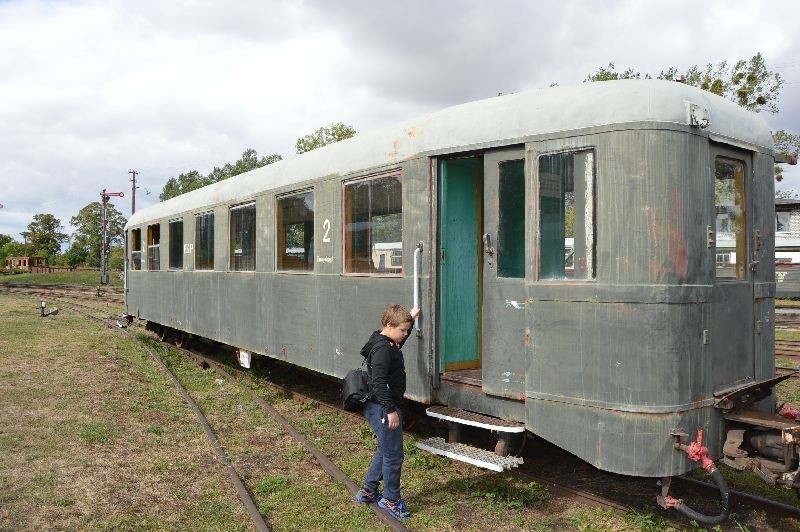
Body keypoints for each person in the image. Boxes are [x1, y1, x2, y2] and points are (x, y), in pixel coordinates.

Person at [355, 304, 419, 522]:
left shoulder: (387, 342)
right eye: (403, 330)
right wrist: (391, 410)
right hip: (384, 407)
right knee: (393, 456)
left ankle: (369, 491)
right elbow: (379, 383)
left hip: (381, 406)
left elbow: (396, 346)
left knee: (385, 449)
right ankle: (391, 500)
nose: (405, 335)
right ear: (389, 326)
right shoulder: (383, 350)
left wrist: (411, 316)